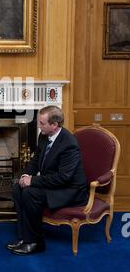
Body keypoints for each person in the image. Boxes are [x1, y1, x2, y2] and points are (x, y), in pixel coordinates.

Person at [6, 105, 88, 255]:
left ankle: (36, 243)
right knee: (19, 188)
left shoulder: (69, 144)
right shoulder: (44, 136)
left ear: (54, 125)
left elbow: (63, 178)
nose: (38, 125)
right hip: (53, 183)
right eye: (38, 121)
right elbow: (36, 160)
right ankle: (24, 238)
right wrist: (25, 176)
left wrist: (33, 181)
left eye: (42, 123)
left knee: (30, 193)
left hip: (69, 190)